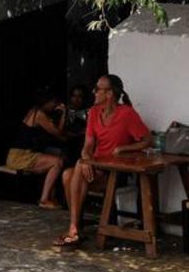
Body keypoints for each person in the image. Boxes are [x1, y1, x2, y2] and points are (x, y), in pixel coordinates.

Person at [53, 74, 152, 248]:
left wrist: (124, 148)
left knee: (73, 173)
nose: (94, 91)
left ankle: (74, 229)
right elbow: (88, 144)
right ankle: (75, 227)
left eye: (98, 89)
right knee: (68, 174)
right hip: (96, 166)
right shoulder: (93, 112)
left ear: (110, 93)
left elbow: (147, 140)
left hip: (115, 171)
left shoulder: (127, 114)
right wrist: (86, 158)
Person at [6, 88, 68, 210]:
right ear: (47, 102)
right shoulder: (39, 114)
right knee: (57, 162)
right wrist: (64, 114)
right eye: (54, 103)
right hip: (20, 156)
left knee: (57, 157)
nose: (55, 106)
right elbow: (58, 133)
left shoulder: (33, 111)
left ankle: (51, 197)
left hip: (19, 154)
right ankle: (44, 199)